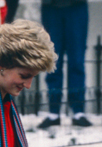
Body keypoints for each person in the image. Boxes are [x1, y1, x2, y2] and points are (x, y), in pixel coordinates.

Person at [38, 0, 92, 129]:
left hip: (76, 7)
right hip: (51, 7)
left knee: (77, 60)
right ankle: (53, 113)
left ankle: (78, 112)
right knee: (53, 61)